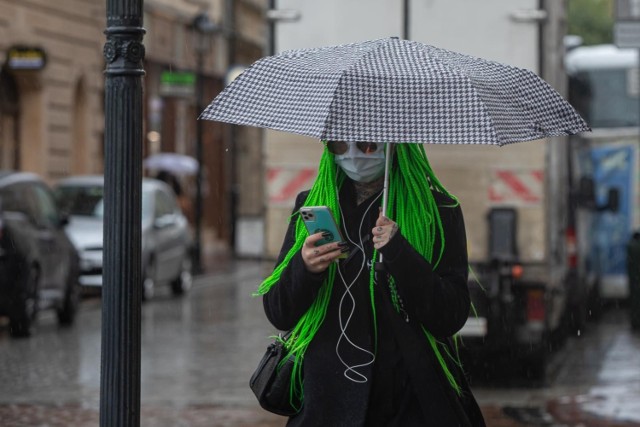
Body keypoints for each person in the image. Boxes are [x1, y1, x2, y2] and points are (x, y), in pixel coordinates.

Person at [258, 141, 486, 426]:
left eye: (367, 145)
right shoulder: (314, 206)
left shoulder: (438, 210)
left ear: (394, 146)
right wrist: (305, 267)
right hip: (327, 400)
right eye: (340, 145)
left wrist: (399, 252)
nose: (353, 154)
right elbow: (279, 312)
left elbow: (449, 315)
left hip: (408, 399)